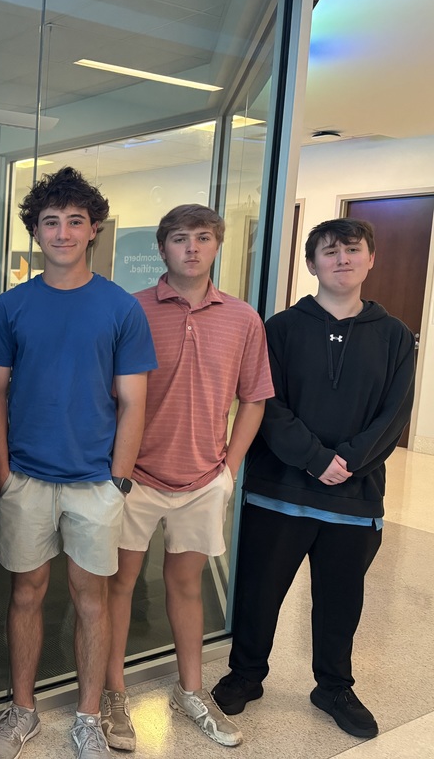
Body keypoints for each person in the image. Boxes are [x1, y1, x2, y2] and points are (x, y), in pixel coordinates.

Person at [0, 167, 157, 759]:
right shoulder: (12, 305)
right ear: (35, 231)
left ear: (94, 229)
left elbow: (134, 399)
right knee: (26, 593)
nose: (62, 232)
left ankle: (87, 715)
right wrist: (3, 473)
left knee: (91, 597)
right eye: (50, 222)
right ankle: (21, 709)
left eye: (74, 221)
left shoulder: (120, 307)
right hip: (27, 476)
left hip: (95, 482)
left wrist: (120, 477)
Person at [211, 218, 415, 739]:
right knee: (260, 591)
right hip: (279, 489)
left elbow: (394, 413)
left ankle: (334, 686)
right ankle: (246, 675)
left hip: (356, 495)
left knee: (341, 597)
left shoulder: (394, 336)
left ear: (372, 260)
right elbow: (264, 403)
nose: (342, 259)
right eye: (330, 252)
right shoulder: (278, 328)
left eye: (352, 250)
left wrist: (345, 461)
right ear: (311, 264)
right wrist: (312, 458)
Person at [100, 205, 273, 751]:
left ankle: (191, 691)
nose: (192, 248)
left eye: (203, 238)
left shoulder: (244, 318)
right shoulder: (131, 311)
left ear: (218, 246)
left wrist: (230, 469)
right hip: (137, 476)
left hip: (203, 477)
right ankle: (113, 693)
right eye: (180, 239)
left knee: (186, 586)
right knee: (119, 586)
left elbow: (254, 399)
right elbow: (108, 397)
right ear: (162, 248)